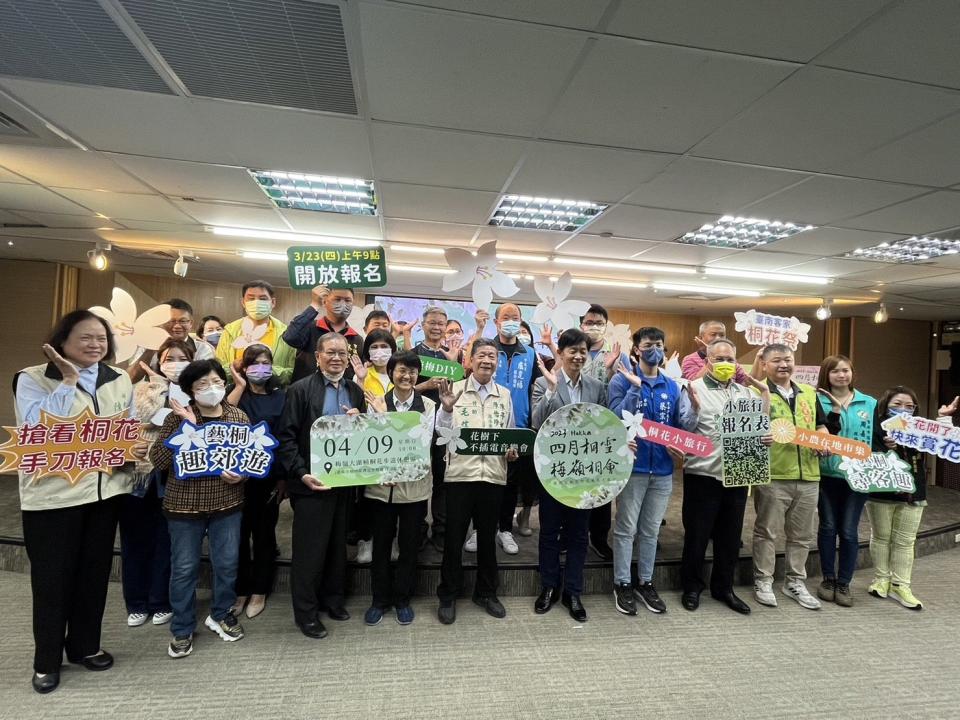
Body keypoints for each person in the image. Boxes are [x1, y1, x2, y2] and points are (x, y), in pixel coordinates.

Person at [14, 310, 145, 694]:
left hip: (105, 493)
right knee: (53, 581)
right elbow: (36, 430)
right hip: (53, 499)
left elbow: (127, 424)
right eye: (85, 337)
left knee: (93, 576)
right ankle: (46, 661)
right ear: (62, 340)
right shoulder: (33, 377)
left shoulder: (117, 377)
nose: (94, 345)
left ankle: (85, 647)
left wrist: (131, 449)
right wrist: (68, 381)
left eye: (101, 338)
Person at [150, 359, 248, 658]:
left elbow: (249, 458)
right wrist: (186, 430)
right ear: (190, 390)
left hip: (228, 505)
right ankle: (181, 628)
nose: (212, 389)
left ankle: (220, 614)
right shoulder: (177, 418)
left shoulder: (237, 417)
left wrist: (243, 472)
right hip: (184, 508)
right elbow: (159, 461)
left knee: (227, 564)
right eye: (202, 384)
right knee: (183, 570)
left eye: (217, 381)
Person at [275, 334, 367, 639]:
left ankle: (333, 600)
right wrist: (301, 474)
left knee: (337, 546)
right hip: (311, 483)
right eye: (330, 352)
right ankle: (306, 613)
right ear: (318, 356)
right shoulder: (300, 390)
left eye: (342, 353)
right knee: (309, 552)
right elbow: (286, 439)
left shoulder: (355, 390)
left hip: (343, 483)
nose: (337, 358)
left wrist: (360, 422)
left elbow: (362, 439)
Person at [608, 327, 697, 616]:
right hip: (631, 469)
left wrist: (694, 409)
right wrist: (635, 387)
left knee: (649, 531)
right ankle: (622, 583)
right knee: (625, 529)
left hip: (662, 470)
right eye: (648, 345)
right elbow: (614, 420)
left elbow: (679, 426)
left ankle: (645, 581)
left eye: (658, 344)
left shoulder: (672, 386)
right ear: (636, 350)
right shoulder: (620, 381)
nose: (654, 349)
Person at [680, 338, 771, 615]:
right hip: (702, 474)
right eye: (719, 359)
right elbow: (683, 428)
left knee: (730, 538)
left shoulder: (745, 393)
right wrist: (694, 410)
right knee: (697, 535)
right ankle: (692, 587)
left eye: (730, 359)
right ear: (707, 361)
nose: (725, 364)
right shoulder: (692, 388)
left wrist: (764, 435)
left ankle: (724, 588)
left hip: (738, 475)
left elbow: (758, 428)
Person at [435, 339, 517, 625]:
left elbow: (510, 433)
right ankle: (448, 594)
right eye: (481, 355)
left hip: (493, 476)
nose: (487, 360)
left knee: (487, 539)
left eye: (492, 356)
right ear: (469, 360)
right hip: (460, 476)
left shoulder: (504, 394)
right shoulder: (454, 391)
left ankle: (486, 592)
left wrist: (512, 450)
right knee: (454, 539)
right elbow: (441, 435)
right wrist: (446, 410)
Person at [530, 329, 607, 621]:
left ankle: (572, 591)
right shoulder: (542, 381)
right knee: (549, 533)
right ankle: (548, 587)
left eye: (583, 351)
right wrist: (551, 390)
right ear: (560, 353)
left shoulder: (597, 386)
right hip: (553, 471)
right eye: (572, 351)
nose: (578, 356)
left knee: (578, 535)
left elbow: (604, 427)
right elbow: (536, 423)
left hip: (585, 474)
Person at [121, 338, 196, 629]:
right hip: (138, 477)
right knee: (134, 541)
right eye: (169, 357)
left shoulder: (196, 392)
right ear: (159, 361)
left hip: (176, 478)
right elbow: (138, 419)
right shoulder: (141, 389)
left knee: (167, 542)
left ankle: (159, 600)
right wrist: (158, 388)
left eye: (182, 357)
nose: (175, 362)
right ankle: (137, 603)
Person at [752, 343, 828, 611]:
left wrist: (824, 439)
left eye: (788, 359)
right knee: (767, 532)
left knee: (802, 535)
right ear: (764, 364)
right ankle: (763, 580)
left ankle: (794, 581)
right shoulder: (755, 391)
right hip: (773, 473)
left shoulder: (808, 392)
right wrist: (759, 436)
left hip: (809, 474)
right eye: (776, 360)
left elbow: (820, 424)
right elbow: (746, 431)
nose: (783, 365)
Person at [361, 351, 435, 626]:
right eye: (402, 370)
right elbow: (371, 442)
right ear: (391, 372)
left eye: (413, 372)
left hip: (413, 488)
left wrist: (387, 419)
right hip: (381, 487)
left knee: (408, 546)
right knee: (380, 545)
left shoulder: (427, 405)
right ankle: (379, 599)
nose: (407, 376)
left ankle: (403, 599)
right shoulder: (376, 402)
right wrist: (380, 415)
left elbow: (420, 442)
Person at [469, 303, 539, 557]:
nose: (511, 321)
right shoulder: (487, 350)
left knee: (510, 483)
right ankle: (479, 529)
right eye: (505, 317)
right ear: (497, 322)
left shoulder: (529, 353)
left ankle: (505, 529)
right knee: (483, 479)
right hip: (486, 424)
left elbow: (534, 388)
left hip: (517, 425)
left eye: (515, 318)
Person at [226, 344, 286, 619]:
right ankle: (240, 590)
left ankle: (260, 590)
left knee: (264, 535)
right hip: (235, 478)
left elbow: (286, 438)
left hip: (268, 478)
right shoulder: (236, 395)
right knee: (238, 536)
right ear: (244, 367)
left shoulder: (280, 396)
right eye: (254, 363)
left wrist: (283, 478)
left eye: (266, 363)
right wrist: (238, 384)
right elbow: (222, 419)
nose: (260, 368)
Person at [815, 355, 877, 606]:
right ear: (826, 375)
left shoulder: (870, 403)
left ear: (853, 373)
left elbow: (880, 436)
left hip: (858, 476)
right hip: (825, 474)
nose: (841, 375)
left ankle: (844, 583)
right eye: (835, 371)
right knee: (828, 527)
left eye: (846, 370)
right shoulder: (815, 400)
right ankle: (828, 578)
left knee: (849, 531)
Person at [865, 386, 935, 610]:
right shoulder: (875, 426)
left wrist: (943, 418)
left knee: (905, 541)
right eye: (896, 405)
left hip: (914, 492)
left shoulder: (919, 429)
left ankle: (901, 585)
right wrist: (883, 446)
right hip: (882, 490)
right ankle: (881, 579)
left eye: (908, 406)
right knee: (881, 536)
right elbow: (865, 453)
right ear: (885, 405)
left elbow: (941, 438)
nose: (903, 409)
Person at [579, 304, 630, 561]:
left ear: (607, 326)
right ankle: (572, 536)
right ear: (582, 325)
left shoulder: (619, 354)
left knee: (600, 490)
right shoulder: (575, 351)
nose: (594, 327)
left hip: (605, 433)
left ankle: (599, 539)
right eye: (589, 322)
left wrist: (611, 371)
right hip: (575, 433)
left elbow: (626, 392)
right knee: (574, 484)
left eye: (599, 322)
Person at [347, 328, 398, 564]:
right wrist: (358, 378)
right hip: (367, 443)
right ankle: (365, 541)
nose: (380, 351)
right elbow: (353, 404)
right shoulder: (362, 374)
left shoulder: (400, 372)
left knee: (394, 494)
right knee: (366, 495)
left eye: (384, 346)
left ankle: (392, 540)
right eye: (374, 347)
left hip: (396, 440)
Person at [413, 305, 462, 551]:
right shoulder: (411, 355)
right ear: (423, 325)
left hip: (445, 424)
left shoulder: (451, 357)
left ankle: (441, 529)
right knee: (420, 475)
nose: (436, 327)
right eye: (432, 322)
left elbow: (458, 390)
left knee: (444, 477)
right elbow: (401, 388)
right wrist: (426, 385)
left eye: (441, 324)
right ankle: (419, 528)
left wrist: (453, 364)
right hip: (418, 424)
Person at [216, 281, 295, 385]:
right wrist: (234, 367)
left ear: (273, 302)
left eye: (263, 298)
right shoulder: (230, 331)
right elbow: (217, 371)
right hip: (236, 395)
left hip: (274, 395)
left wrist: (267, 370)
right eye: (251, 298)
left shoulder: (286, 334)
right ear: (243, 302)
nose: (256, 302)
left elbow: (293, 373)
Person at [282, 285, 362, 382]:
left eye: (347, 300)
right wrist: (315, 304)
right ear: (324, 302)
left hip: (339, 394)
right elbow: (290, 337)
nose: (343, 304)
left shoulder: (357, 339)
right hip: (306, 393)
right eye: (337, 299)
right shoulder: (310, 327)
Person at [128, 298, 214, 383]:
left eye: (183, 321)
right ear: (161, 323)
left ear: (191, 323)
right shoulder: (147, 346)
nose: (177, 326)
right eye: (171, 321)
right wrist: (152, 348)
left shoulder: (202, 349)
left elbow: (205, 381)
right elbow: (130, 379)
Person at [680, 320, 750, 383]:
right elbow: (695, 383)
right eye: (713, 335)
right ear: (701, 338)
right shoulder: (689, 359)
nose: (718, 338)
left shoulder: (728, 360)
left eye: (722, 335)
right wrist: (710, 353)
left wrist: (758, 360)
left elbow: (746, 381)